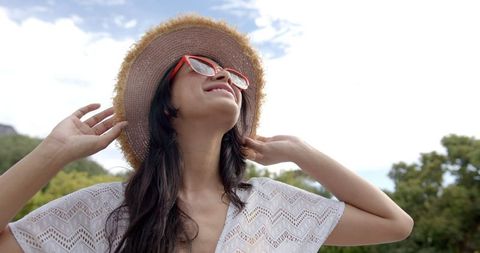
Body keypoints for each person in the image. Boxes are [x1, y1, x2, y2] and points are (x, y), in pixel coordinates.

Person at [0, 15, 413, 253]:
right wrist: (52, 153)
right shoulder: (104, 210)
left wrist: (303, 153)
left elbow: (395, 223)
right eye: (199, 64)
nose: (222, 75)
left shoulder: (275, 208)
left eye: (232, 74)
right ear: (165, 103)